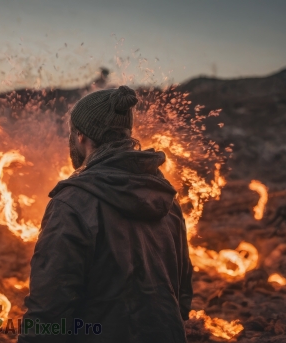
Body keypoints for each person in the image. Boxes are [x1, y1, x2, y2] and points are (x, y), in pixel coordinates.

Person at [18, 85, 193, 343]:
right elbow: (183, 297)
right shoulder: (164, 197)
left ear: (80, 137)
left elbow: (49, 310)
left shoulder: (72, 203)